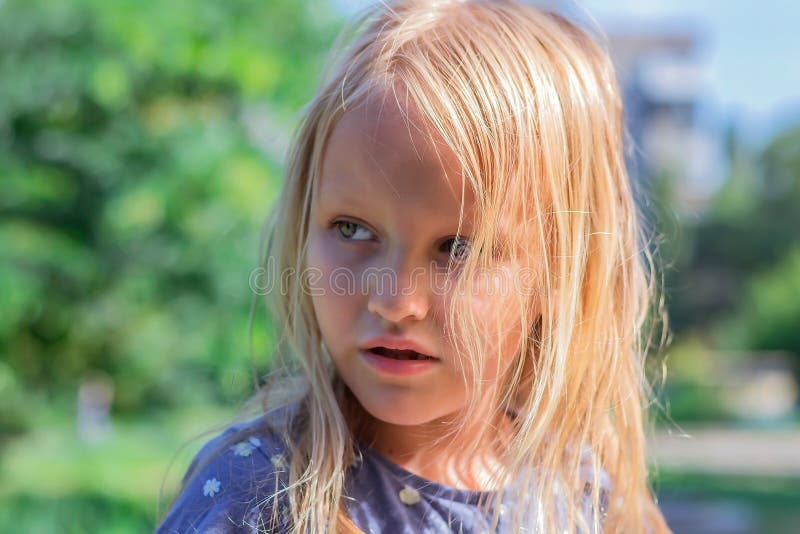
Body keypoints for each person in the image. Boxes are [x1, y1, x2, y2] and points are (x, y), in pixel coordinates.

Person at [154, 0, 672, 532]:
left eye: (458, 248)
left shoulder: (587, 495)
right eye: (352, 229)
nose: (395, 300)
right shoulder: (260, 496)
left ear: (560, 272)